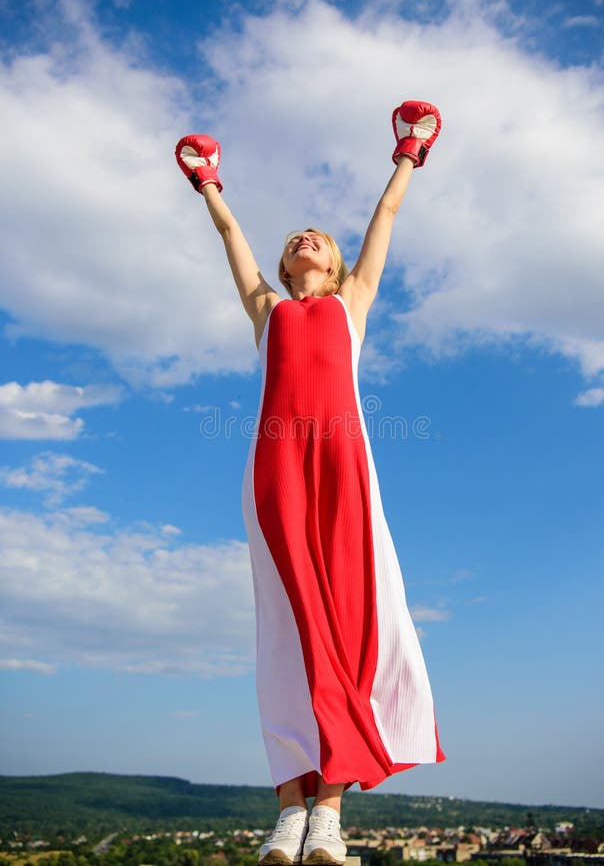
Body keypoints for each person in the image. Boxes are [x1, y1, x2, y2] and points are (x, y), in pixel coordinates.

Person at [175, 101, 446, 866]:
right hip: (276, 476)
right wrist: (209, 185)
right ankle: (289, 811)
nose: (303, 240)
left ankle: (327, 812)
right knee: (285, 635)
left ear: (330, 264)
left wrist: (408, 154)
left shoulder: (352, 303)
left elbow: (385, 215)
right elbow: (232, 237)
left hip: (345, 472)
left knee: (346, 632)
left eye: (316, 239)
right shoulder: (267, 311)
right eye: (295, 238)